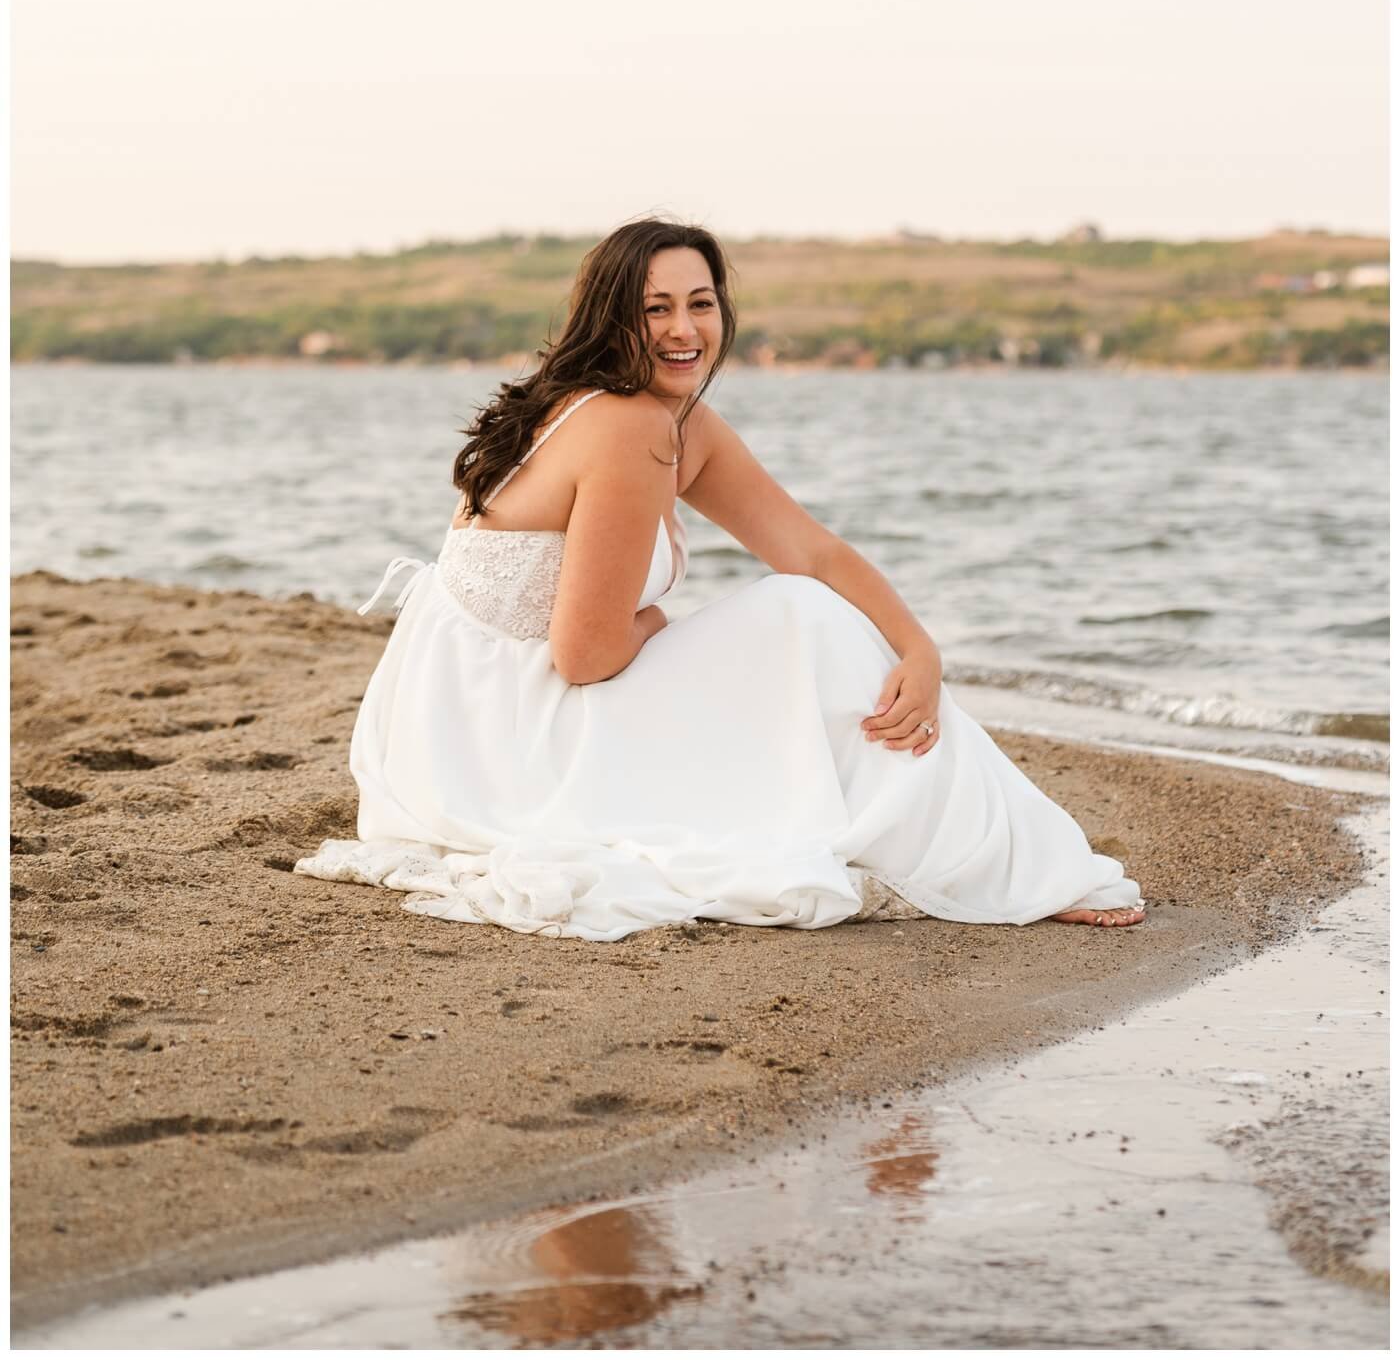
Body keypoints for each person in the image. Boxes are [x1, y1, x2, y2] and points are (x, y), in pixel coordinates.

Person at [296, 218, 1145, 940]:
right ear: (611, 320)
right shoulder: (627, 428)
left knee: (805, 610)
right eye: (655, 308)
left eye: (700, 304)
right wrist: (659, 625)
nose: (683, 329)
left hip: (457, 726)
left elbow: (810, 550)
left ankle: (991, 855)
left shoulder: (666, 419)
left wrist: (920, 649)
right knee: (798, 623)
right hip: (503, 746)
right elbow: (586, 656)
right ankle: (1005, 864)